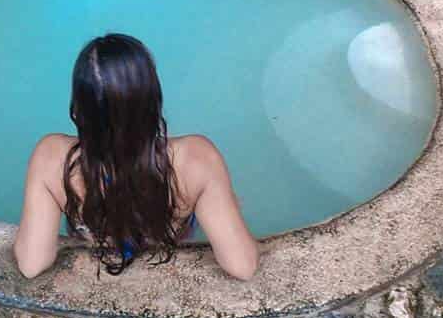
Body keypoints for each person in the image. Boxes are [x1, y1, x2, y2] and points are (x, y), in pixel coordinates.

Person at [14, 33, 259, 280]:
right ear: (151, 99)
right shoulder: (197, 158)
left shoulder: (52, 157)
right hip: (166, 234)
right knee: (221, 200)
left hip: (94, 235)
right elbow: (242, 266)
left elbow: (32, 263)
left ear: (79, 106)